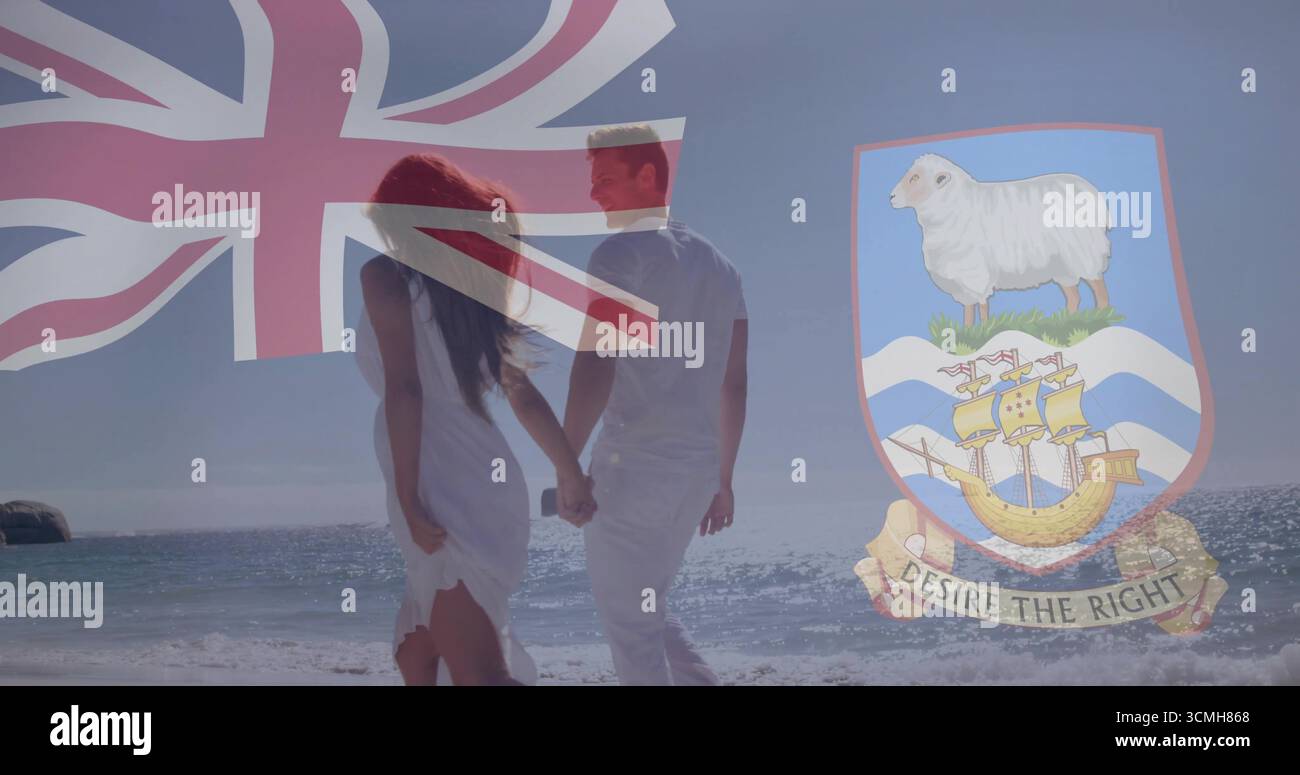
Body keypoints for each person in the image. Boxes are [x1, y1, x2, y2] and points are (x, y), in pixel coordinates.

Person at [355, 153, 595, 686]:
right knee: (417, 655)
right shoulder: (470, 294)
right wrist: (570, 472)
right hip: (481, 477)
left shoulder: (385, 276)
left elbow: (406, 389)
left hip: (437, 477)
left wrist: (409, 497)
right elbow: (523, 396)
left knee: (479, 674)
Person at [562, 124, 749, 685]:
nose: (593, 192)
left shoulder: (620, 252)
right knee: (647, 610)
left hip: (633, 472)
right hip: (693, 475)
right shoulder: (723, 269)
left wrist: (566, 462)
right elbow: (734, 383)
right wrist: (723, 480)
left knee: (632, 631)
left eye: (605, 179)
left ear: (647, 176)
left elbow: (597, 360)